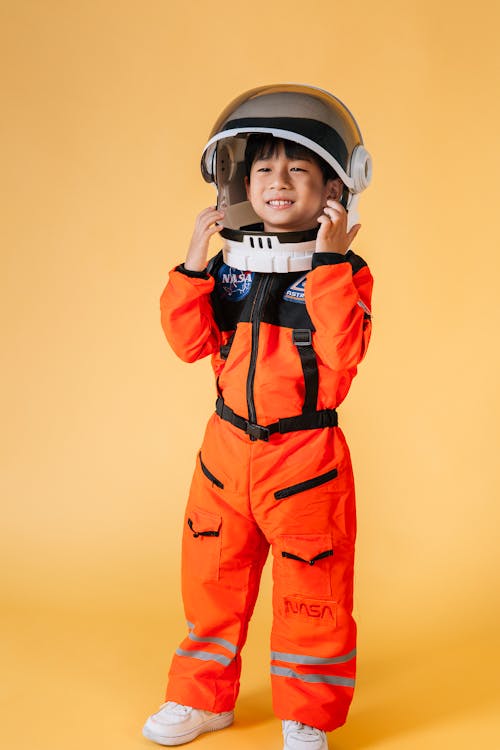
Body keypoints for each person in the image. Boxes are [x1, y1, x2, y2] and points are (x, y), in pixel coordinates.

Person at [143, 85, 373, 750]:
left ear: (333, 188)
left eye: (298, 170)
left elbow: (343, 354)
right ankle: (200, 699)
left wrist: (327, 262)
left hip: (304, 459)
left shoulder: (345, 275)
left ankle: (307, 714)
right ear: (241, 181)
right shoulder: (227, 271)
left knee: (313, 590)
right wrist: (192, 263)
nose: (278, 182)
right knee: (211, 582)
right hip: (224, 453)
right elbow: (189, 344)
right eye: (264, 169)